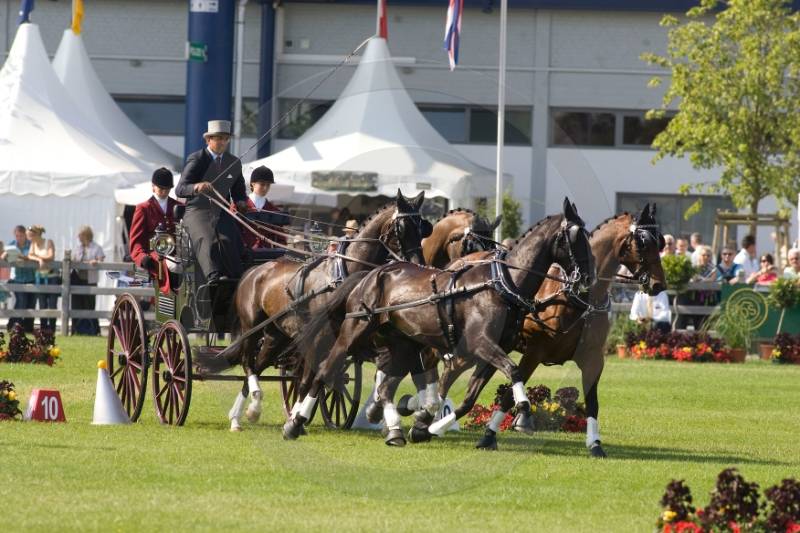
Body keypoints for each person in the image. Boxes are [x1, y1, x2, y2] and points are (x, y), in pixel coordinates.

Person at [175, 120, 247, 284]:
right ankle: (213, 277)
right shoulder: (197, 159)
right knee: (207, 239)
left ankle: (236, 279)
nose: (222, 142)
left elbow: (239, 192)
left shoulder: (233, 162)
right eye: (218, 138)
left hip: (222, 211)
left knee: (230, 240)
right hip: (197, 211)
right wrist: (197, 187)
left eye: (225, 139)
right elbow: (180, 189)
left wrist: (241, 202)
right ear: (208, 140)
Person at [129, 168, 180, 282]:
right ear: (153, 186)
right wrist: (142, 257)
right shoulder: (143, 208)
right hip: (155, 257)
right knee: (174, 266)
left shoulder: (178, 206)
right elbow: (136, 241)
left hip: (178, 255)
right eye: (161, 189)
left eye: (167, 189)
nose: (164, 192)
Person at [241, 165, 286, 249]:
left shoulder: (274, 210)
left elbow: (280, 238)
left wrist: (279, 252)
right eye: (262, 184)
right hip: (243, 252)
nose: (265, 188)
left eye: (268, 185)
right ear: (253, 184)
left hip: (266, 253)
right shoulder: (239, 205)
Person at [71, 226, 105, 336]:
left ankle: (94, 330)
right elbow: (72, 259)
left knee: (90, 305)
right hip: (77, 280)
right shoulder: (77, 248)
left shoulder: (96, 247)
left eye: (80, 235)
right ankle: (76, 330)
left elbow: (101, 259)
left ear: (86, 235)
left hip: (90, 280)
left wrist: (96, 261)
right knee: (76, 305)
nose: (78, 237)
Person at [1, 225, 35, 332]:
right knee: (21, 301)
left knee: (31, 304)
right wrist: (4, 256)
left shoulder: (31, 245)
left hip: (31, 277)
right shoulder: (12, 245)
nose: (19, 238)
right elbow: (4, 256)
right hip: (17, 278)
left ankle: (27, 327)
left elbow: (32, 257)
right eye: (17, 236)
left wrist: (21, 257)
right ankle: (16, 326)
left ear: (25, 235)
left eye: (21, 235)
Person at [27, 225, 58, 332]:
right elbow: (30, 256)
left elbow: (51, 256)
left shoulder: (48, 242)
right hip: (40, 277)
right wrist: (39, 260)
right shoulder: (33, 244)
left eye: (31, 236)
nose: (29, 238)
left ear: (37, 234)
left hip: (52, 277)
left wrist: (39, 258)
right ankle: (43, 329)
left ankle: (52, 328)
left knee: (52, 304)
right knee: (42, 304)